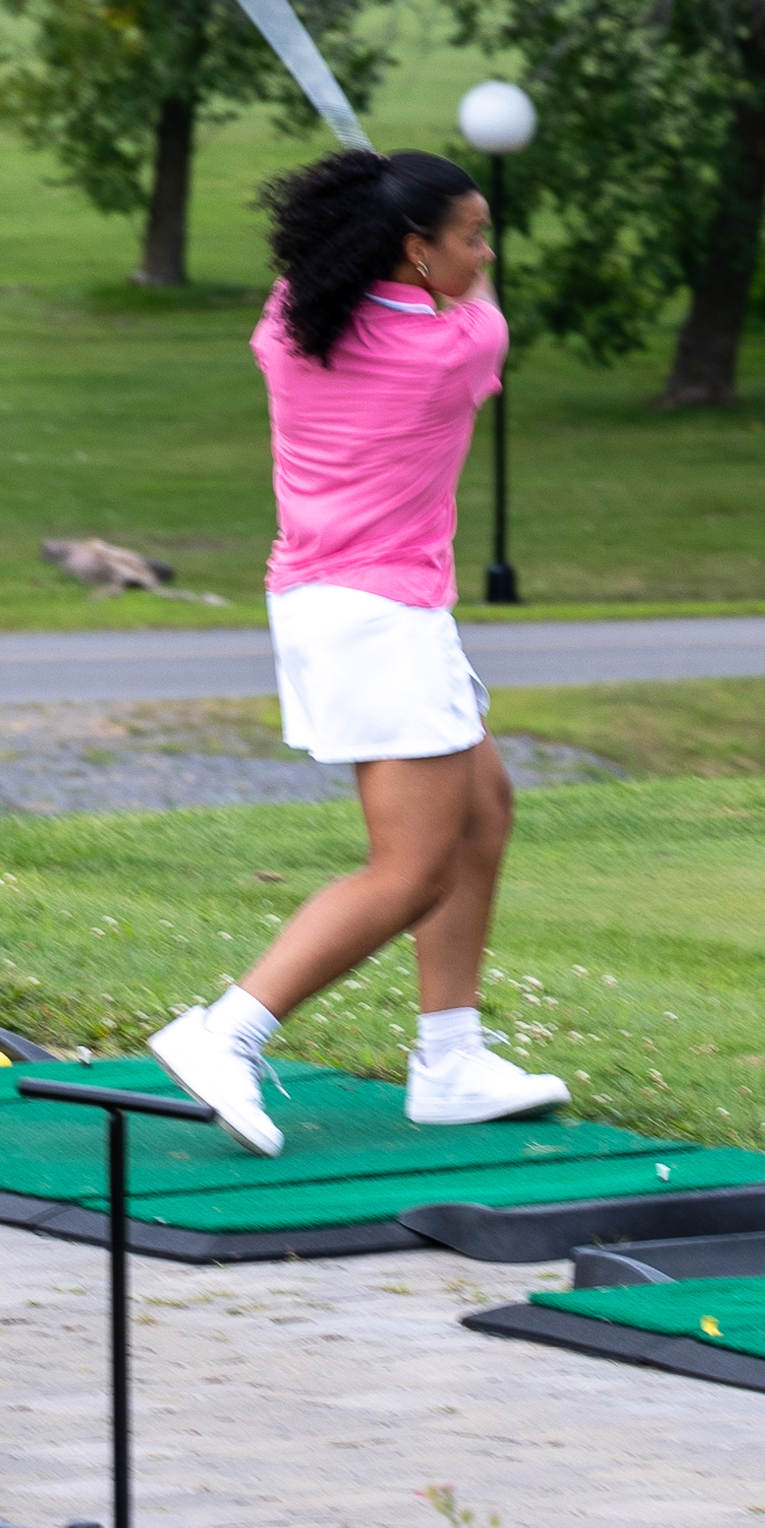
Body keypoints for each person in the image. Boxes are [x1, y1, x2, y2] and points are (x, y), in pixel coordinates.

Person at [144, 148, 568, 1154]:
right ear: (413, 253)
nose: (487, 251)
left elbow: (336, 271)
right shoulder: (454, 350)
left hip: (333, 604)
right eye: (470, 235)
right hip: (383, 621)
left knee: (485, 810)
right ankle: (227, 1035)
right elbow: (481, 313)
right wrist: (420, 230)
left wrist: (401, 213)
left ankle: (451, 1058)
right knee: (411, 870)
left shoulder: (291, 323)